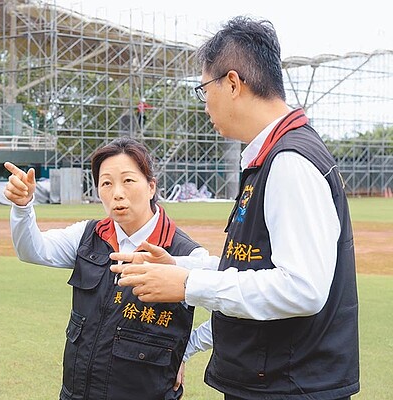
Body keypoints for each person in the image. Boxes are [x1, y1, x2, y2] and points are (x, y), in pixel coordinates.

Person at [110, 16, 360, 400]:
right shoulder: (269, 158)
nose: (204, 102)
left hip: (288, 385)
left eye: (203, 88)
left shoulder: (290, 161)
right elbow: (256, 265)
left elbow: (303, 288)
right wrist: (181, 266)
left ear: (232, 83)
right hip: (273, 379)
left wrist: (188, 285)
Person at [4, 137, 211, 400]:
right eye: (106, 183)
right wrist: (22, 208)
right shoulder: (87, 236)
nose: (117, 193)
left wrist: (188, 348)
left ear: (150, 187)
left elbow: (231, 309)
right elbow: (33, 250)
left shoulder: (184, 253)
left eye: (128, 180)